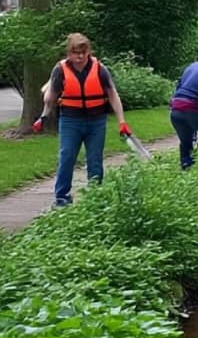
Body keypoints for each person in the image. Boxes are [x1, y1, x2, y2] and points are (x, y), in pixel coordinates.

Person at [36, 33, 130, 207]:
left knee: (95, 159)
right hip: (71, 120)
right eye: (75, 53)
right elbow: (51, 97)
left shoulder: (100, 69)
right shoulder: (60, 70)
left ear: (88, 52)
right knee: (67, 156)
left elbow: (112, 95)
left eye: (82, 52)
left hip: (96, 121)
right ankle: (62, 197)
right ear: (68, 53)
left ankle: (95, 196)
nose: (79, 57)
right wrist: (43, 116)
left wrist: (122, 122)